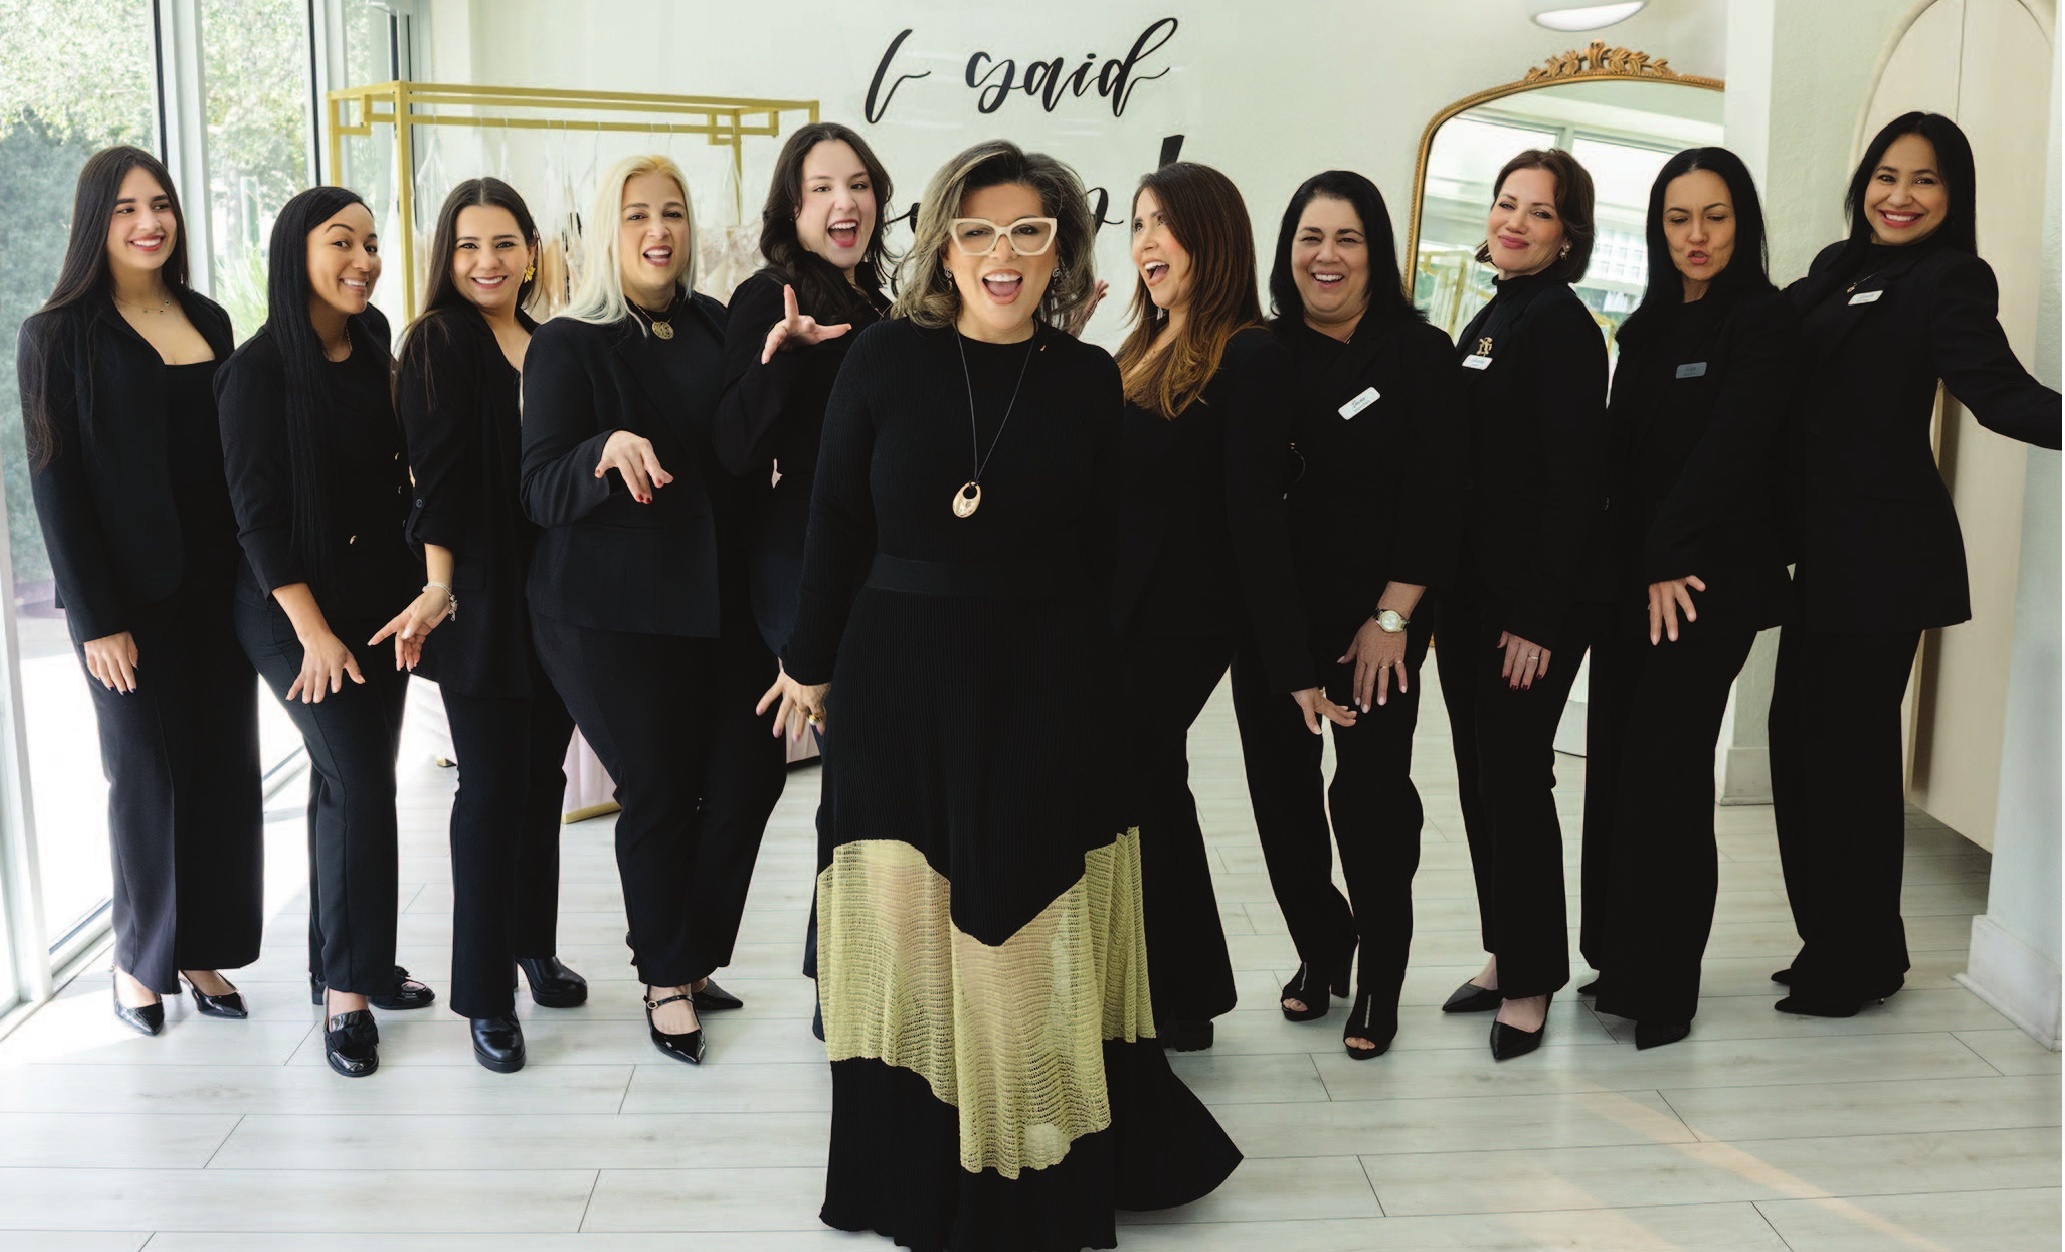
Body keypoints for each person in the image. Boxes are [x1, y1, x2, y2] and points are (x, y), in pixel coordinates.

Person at [760, 138, 1240, 1252]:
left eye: (1029, 231)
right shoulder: (880, 361)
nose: (1003, 254)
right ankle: (915, 1167)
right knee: (905, 926)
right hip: (892, 680)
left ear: (1060, 248)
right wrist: (806, 658)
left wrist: (1100, 694)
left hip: (1042, 677)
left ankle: (1029, 1161)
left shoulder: (1081, 378)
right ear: (944, 244)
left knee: (1023, 920)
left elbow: (1109, 555)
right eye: (979, 231)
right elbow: (832, 524)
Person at [1770, 111, 2060, 1017]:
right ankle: (1840, 939)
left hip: (1882, 558)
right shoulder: (1828, 270)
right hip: (1810, 557)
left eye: (1925, 180)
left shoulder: (1950, 278)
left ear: (1952, 195)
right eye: (1887, 176)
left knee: (1849, 761)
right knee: (1798, 750)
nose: (1900, 196)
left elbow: (2000, 395)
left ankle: (1850, 965)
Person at [521, 154, 782, 1066]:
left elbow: (746, 454)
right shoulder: (568, 343)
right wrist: (602, 449)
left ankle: (692, 949)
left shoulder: (716, 326)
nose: (658, 231)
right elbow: (538, 490)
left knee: (752, 777)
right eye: (636, 215)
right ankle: (666, 974)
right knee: (663, 791)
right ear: (607, 231)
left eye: (671, 212)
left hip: (716, 600)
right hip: (607, 614)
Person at [14, 146, 262, 1036]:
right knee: (146, 775)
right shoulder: (57, 334)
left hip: (222, 590)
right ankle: (137, 960)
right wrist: (96, 620)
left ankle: (198, 950)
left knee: (221, 772)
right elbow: (55, 486)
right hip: (128, 604)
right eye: (125, 209)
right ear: (95, 223)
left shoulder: (208, 316)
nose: (148, 221)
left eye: (159, 204)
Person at [1110, 160, 1354, 1054]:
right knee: (1145, 788)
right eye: (1136, 224)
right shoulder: (1139, 344)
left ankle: (1183, 993)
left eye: (1163, 225)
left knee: (1139, 778)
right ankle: (1178, 988)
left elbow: (1256, 518)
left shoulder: (1247, 354)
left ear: (1209, 237)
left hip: (1186, 618)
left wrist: (1291, 667)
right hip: (1121, 609)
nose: (1145, 244)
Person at [1229, 170, 1464, 1059]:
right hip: (1273, 623)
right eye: (1308, 239)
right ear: (1286, 252)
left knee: (1368, 803)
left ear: (1376, 254)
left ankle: (1381, 976)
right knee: (1281, 807)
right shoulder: (1257, 352)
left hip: (1380, 627)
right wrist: (1283, 654)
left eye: (1347, 239)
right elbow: (1246, 505)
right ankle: (1322, 946)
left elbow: (1439, 498)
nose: (1325, 258)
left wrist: (1394, 618)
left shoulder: (1418, 352)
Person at [1580, 148, 1797, 1049]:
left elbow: (1731, 455)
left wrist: (1668, 556)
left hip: (1709, 585)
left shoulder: (1763, 320)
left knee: (1667, 777)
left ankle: (1666, 986)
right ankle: (1617, 959)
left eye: (1713, 216)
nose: (1695, 236)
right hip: (1633, 585)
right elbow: (1621, 465)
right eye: (1677, 218)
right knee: (1617, 771)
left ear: (1740, 221)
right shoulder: (1646, 327)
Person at [217, 185, 422, 1077]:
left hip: (378, 605)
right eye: (343, 243)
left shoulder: (373, 343)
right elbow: (256, 521)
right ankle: (349, 995)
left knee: (345, 785)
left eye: (372, 244)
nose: (365, 260)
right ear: (296, 253)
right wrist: (314, 634)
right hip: (291, 612)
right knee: (364, 786)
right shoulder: (254, 373)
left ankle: (336, 960)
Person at [383, 177, 583, 1075]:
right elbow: (438, 481)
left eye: (503, 243)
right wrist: (438, 589)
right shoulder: (437, 342)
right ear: (445, 257)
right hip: (478, 599)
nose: (485, 262)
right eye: (467, 246)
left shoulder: (550, 343)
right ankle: (484, 993)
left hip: (558, 596)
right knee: (492, 791)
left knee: (543, 782)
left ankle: (532, 946)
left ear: (531, 252)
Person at [712, 123, 894, 1036]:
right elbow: (733, 447)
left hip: (883, 566)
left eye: (857, 184)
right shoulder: (765, 296)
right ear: (792, 206)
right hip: (799, 563)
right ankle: (843, 985)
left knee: (872, 773)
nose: (844, 203)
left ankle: (856, 965)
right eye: (822, 187)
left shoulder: (888, 301)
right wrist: (779, 359)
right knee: (855, 769)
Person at [1433, 148, 1610, 1061]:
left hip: (1530, 609)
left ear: (1567, 233)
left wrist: (1536, 619)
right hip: (1472, 599)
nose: (1515, 222)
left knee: (1513, 778)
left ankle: (1535, 977)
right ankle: (1508, 949)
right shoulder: (1498, 311)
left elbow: (1577, 485)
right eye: (1507, 204)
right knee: (1478, 777)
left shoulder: (1564, 327)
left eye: (1538, 213)